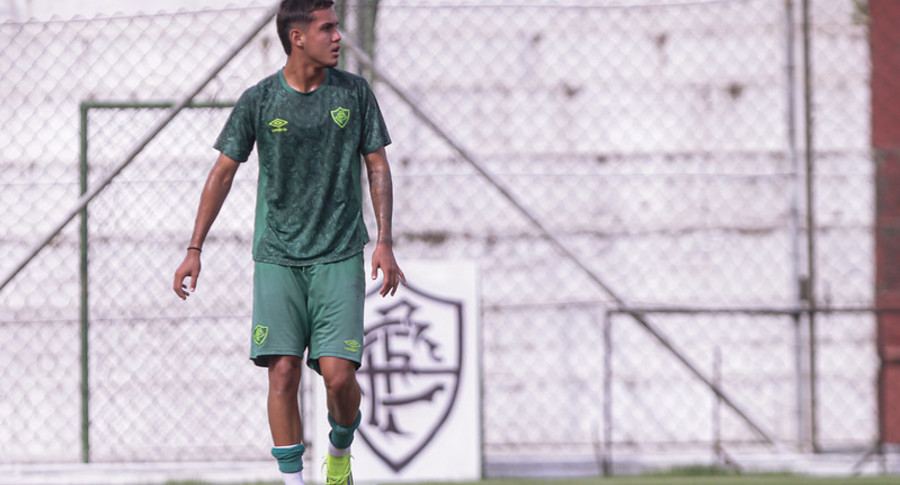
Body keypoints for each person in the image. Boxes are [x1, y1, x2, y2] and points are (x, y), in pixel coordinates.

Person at [172, 1, 405, 484]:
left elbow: (377, 165)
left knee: (339, 377)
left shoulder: (354, 93)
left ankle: (339, 451)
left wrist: (384, 240)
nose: (337, 37)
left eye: (337, 26)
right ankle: (292, 481)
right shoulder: (259, 101)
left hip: (339, 252)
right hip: (278, 255)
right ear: (297, 37)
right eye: (327, 28)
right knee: (282, 372)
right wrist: (194, 249)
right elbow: (222, 174)